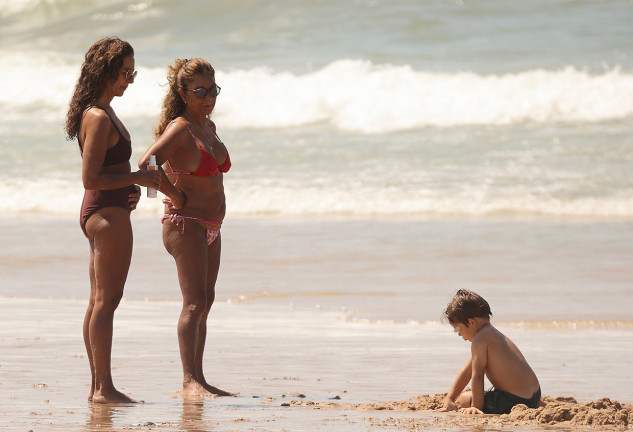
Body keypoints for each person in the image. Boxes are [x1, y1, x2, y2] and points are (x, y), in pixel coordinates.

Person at [65, 37, 161, 403]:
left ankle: (97, 388)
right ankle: (104, 388)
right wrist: (136, 180)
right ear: (106, 70)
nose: (130, 80)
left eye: (133, 72)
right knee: (107, 301)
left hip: (107, 207)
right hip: (105, 212)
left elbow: (109, 169)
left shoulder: (100, 110)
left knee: (98, 301)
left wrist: (130, 189)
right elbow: (90, 177)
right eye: (126, 72)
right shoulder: (99, 116)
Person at [139, 57, 233, 398]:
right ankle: (188, 381)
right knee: (193, 303)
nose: (209, 97)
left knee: (206, 301)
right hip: (185, 224)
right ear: (183, 92)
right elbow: (146, 162)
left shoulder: (209, 126)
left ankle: (200, 378)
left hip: (211, 225)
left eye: (213, 89)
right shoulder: (180, 128)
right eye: (201, 91)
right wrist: (170, 196)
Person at [439, 289, 541, 414]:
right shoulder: (493, 335)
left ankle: (528, 404)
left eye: (458, 329)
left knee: (465, 399)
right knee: (488, 392)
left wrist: (475, 406)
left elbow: (477, 375)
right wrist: (450, 398)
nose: (459, 334)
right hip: (534, 395)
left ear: (471, 322)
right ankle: (537, 404)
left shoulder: (479, 339)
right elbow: (467, 372)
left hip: (515, 400)